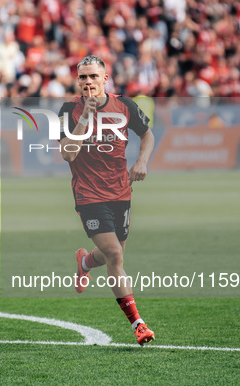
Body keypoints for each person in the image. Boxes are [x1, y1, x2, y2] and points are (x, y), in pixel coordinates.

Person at [58, 55, 156, 345]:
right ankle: (138, 324)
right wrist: (85, 118)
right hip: (88, 194)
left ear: (105, 79)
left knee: (113, 255)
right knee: (115, 255)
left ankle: (85, 262)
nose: (88, 82)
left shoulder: (125, 105)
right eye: (83, 77)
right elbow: (67, 154)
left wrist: (142, 161)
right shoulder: (68, 110)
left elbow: (147, 134)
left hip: (121, 191)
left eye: (93, 76)